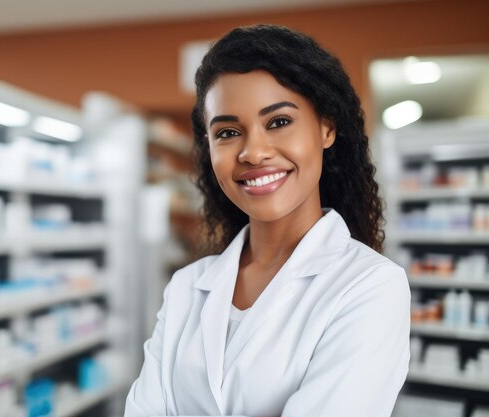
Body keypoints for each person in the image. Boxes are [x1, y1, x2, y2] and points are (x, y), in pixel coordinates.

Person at [124, 24, 410, 417]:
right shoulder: (187, 288)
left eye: (278, 122)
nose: (253, 153)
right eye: (227, 132)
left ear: (326, 127)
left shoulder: (370, 286)